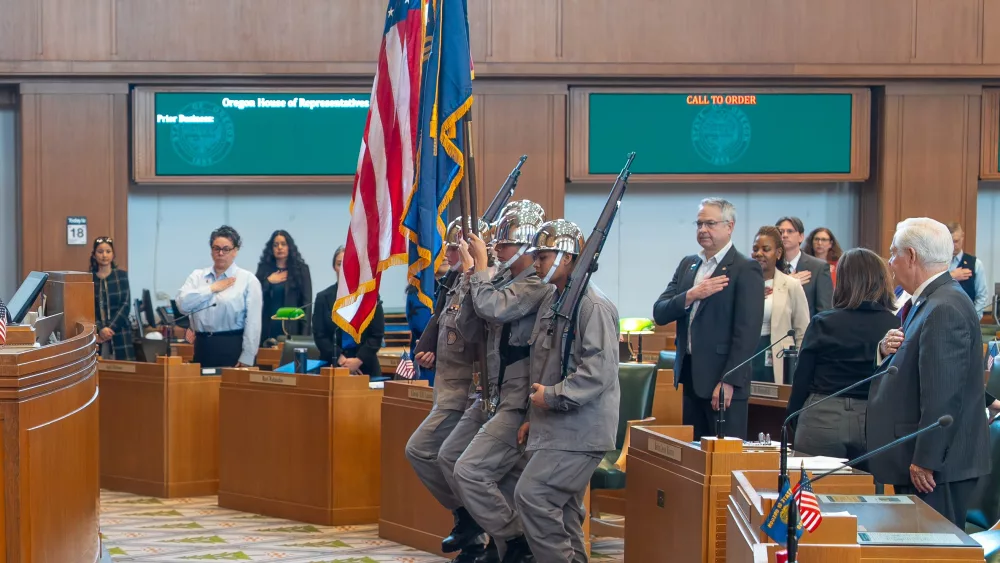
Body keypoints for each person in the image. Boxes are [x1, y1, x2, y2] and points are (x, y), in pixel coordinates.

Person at [869, 217, 990, 527]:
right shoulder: (929, 301)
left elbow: (943, 394)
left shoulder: (944, 306)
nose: (890, 261)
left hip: (937, 469)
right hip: (927, 461)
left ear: (911, 256)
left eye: (893, 252)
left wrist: (926, 459)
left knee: (933, 553)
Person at [513, 218, 619, 563]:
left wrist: (553, 397)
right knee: (567, 511)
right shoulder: (554, 300)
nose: (537, 262)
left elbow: (597, 372)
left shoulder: (592, 305)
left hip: (582, 430)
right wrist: (535, 415)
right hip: (554, 425)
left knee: (533, 496)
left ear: (569, 258)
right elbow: (544, 367)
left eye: (544, 256)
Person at [453, 208, 552, 563]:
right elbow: (470, 329)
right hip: (492, 393)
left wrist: (480, 270)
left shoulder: (537, 284)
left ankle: (514, 540)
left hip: (520, 399)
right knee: (454, 459)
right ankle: (497, 540)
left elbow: (495, 310)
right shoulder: (499, 280)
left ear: (526, 248)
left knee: (471, 471)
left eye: (505, 244)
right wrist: (473, 275)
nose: (496, 249)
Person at [404, 216, 491, 563]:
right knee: (437, 457)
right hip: (446, 385)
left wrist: (476, 274)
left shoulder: (482, 282)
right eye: (451, 245)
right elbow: (446, 329)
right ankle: (471, 535)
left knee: (425, 451)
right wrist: (432, 351)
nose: (450, 251)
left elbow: (481, 333)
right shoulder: (454, 282)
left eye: (457, 246)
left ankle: (473, 521)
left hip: (466, 391)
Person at [653, 198, 764, 439]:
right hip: (691, 378)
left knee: (723, 461)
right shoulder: (688, 265)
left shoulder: (745, 268)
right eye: (699, 224)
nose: (703, 230)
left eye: (710, 224)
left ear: (729, 226)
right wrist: (692, 294)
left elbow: (747, 333)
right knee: (696, 462)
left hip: (723, 383)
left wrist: (728, 381)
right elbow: (660, 312)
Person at [787, 248, 899, 460]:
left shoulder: (823, 322)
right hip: (873, 420)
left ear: (844, 281)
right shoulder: (896, 325)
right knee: (868, 492)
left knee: (814, 490)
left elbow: (802, 376)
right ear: (882, 279)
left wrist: (793, 417)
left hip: (822, 416)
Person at [176, 226, 262, 368]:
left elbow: (253, 323)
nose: (220, 253)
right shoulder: (197, 276)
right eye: (216, 248)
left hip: (232, 345)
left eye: (226, 249)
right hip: (203, 345)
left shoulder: (247, 280)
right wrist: (211, 288)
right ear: (211, 250)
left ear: (235, 251)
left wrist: (248, 355)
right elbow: (183, 305)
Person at [749, 226, 809, 385]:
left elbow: (802, 331)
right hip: (746, 355)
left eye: (765, 249)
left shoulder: (791, 285)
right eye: (755, 249)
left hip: (779, 358)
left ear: (778, 253)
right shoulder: (741, 285)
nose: (759, 253)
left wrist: (799, 365)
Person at [313, 246, 384, 377]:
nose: (344, 268)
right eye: (340, 264)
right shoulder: (323, 298)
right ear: (334, 267)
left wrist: (358, 360)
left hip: (365, 367)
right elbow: (320, 335)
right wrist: (340, 359)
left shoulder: (370, 296)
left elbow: (376, 335)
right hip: (332, 365)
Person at [256, 230, 313, 342]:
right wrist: (268, 281)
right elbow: (254, 296)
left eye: (283, 244)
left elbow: (306, 304)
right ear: (271, 249)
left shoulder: (301, 270)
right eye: (276, 245)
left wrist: (304, 337)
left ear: (289, 247)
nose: (280, 248)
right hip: (267, 328)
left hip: (292, 329)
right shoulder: (264, 270)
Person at [776, 216, 833, 316]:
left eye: (790, 231)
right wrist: (788, 282)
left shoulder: (818, 267)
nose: (784, 235)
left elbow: (824, 311)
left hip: (807, 329)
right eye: (781, 232)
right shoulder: (770, 266)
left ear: (801, 237)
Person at [90, 236, 135, 361]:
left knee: (123, 374)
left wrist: (110, 328)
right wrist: (101, 328)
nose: (104, 255)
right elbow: (89, 308)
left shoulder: (121, 276)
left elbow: (125, 305)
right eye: (100, 252)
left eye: (108, 251)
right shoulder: (89, 279)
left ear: (113, 254)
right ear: (94, 255)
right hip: (98, 334)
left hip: (120, 331)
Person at [945, 222, 987, 320]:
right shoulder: (938, 263)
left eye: (956, 241)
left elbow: (981, 297)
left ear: (962, 237)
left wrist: (973, 320)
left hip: (967, 319)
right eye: (950, 242)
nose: (954, 245)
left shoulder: (976, 264)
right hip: (941, 318)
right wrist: (951, 276)